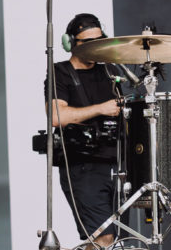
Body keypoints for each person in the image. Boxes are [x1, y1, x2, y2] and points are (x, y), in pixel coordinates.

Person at [44, 13, 121, 249]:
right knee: (103, 238)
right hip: (83, 167)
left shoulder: (111, 71)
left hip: (117, 165)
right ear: (71, 43)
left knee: (118, 237)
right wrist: (101, 109)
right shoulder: (60, 72)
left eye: (98, 40)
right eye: (87, 42)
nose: (94, 47)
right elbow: (56, 116)